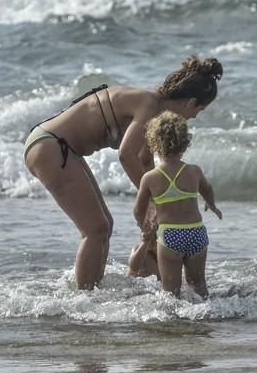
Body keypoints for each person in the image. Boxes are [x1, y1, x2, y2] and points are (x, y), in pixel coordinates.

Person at [24, 56, 223, 290]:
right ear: (190, 102)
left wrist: (159, 204)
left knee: (104, 225)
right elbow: (127, 156)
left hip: (61, 148)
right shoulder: (149, 104)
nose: (194, 117)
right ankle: (84, 301)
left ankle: (93, 290)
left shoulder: (155, 112)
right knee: (95, 229)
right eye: (199, 110)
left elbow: (145, 161)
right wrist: (157, 200)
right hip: (50, 146)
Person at [133, 111, 222, 298]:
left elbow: (138, 209)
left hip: (171, 235)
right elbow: (207, 188)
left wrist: (145, 227)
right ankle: (206, 316)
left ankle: (173, 325)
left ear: (154, 145)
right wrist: (211, 204)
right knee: (198, 285)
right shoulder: (193, 171)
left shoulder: (150, 178)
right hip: (197, 233)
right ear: (184, 143)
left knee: (171, 291)